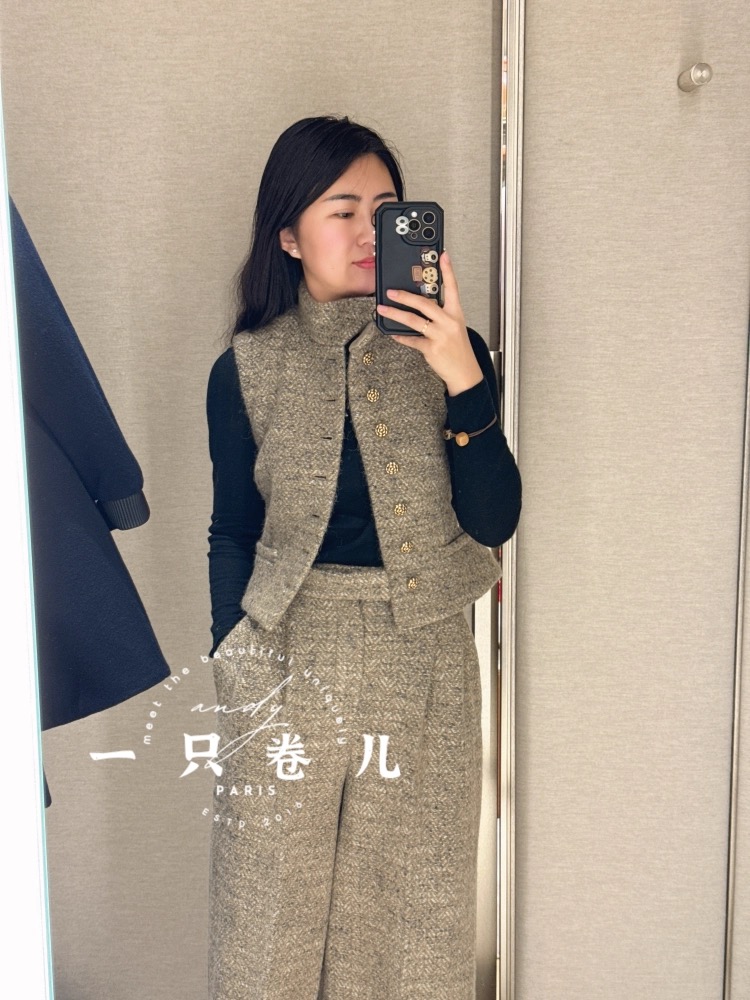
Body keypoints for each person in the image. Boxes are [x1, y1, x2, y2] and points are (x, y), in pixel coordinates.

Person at [206, 115, 522, 1000]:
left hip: (423, 655)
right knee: (266, 916)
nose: (368, 232)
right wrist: (231, 654)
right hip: (285, 654)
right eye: (341, 211)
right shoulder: (246, 367)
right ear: (288, 235)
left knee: (411, 919)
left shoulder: (457, 355)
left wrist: (463, 376)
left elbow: (494, 520)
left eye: (385, 212)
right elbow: (232, 529)